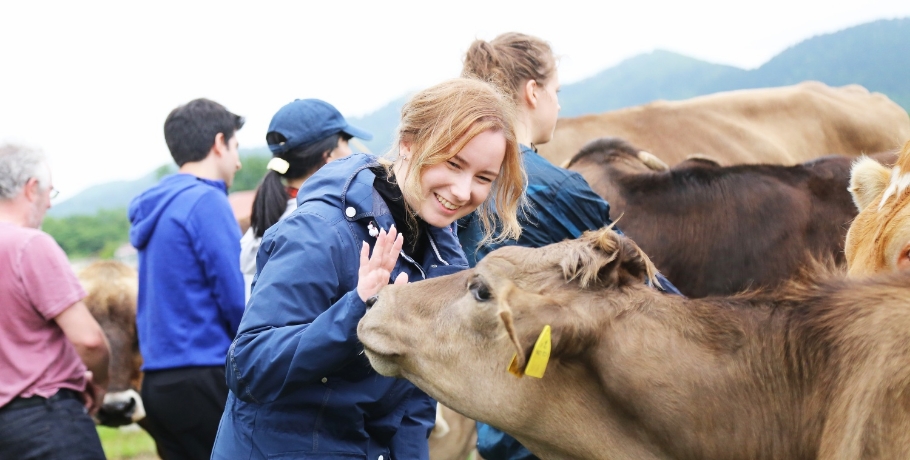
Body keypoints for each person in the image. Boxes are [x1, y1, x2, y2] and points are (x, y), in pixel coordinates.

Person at [210, 77, 526, 460]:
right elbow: (248, 366)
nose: (462, 191)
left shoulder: (443, 256)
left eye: (483, 178)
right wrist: (358, 308)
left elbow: (414, 401)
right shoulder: (319, 232)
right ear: (409, 144)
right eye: (453, 163)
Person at [459, 32, 681, 460]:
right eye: (556, 92)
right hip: (557, 410)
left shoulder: (460, 182)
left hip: (490, 404)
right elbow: (640, 285)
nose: (559, 105)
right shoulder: (555, 189)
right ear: (533, 92)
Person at [128, 98, 246, 459]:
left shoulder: (157, 206)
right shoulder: (205, 202)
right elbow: (234, 300)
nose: (239, 162)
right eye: (236, 148)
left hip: (159, 382)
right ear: (218, 143)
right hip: (204, 375)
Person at [0, 144, 111, 460]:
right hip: (45, 421)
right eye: (50, 191)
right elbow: (89, 341)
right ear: (31, 188)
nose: (49, 203)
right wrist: (99, 384)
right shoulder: (30, 245)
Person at [240, 98, 373, 300]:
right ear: (329, 156)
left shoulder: (274, 213)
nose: (351, 152)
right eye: (345, 142)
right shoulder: (317, 223)